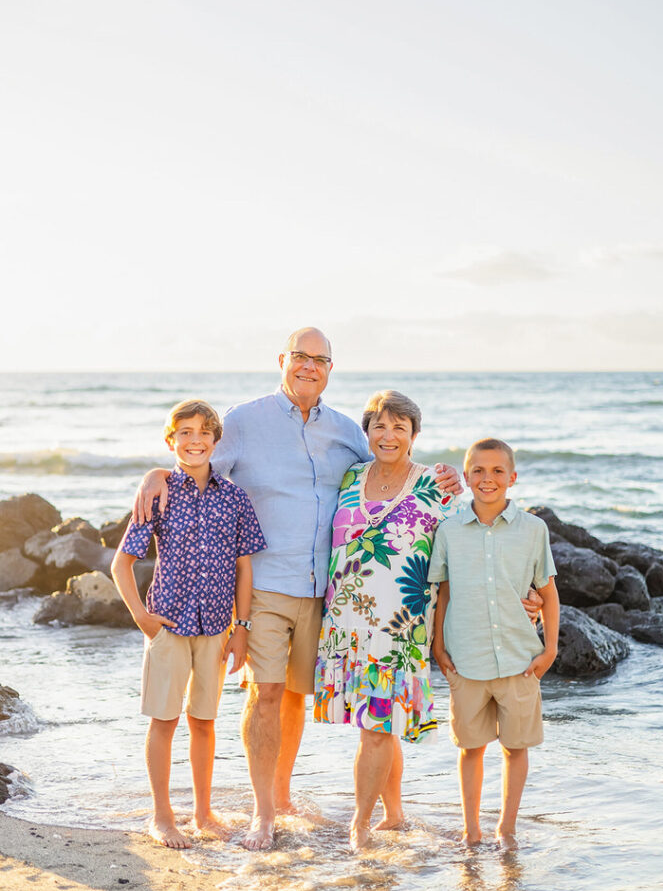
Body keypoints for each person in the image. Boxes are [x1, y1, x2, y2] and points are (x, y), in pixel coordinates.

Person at [133, 327, 464, 851]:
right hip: (262, 585)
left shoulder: (346, 432)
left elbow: (390, 468)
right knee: (264, 694)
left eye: (320, 359)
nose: (309, 366)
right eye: (300, 357)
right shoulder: (243, 420)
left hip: (328, 594)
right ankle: (264, 814)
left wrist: (448, 479)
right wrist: (156, 472)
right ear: (282, 360)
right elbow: (196, 465)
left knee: (300, 696)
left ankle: (300, 800)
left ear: (331, 369)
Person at [112, 400, 266, 849]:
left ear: (216, 440)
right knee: (165, 720)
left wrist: (242, 627)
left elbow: (245, 568)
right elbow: (122, 565)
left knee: (204, 721)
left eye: (203, 432)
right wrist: (142, 616)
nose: (194, 440)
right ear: (170, 440)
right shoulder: (158, 494)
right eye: (184, 432)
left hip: (218, 625)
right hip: (169, 624)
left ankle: (203, 812)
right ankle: (162, 817)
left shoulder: (235, 498)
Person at [314, 390, 462, 850]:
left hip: (399, 630)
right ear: (367, 433)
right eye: (380, 425)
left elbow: (464, 550)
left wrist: (524, 595)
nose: (389, 434)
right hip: (346, 626)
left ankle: (359, 824)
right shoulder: (350, 477)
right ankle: (394, 814)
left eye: (400, 427)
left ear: (415, 435)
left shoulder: (437, 485)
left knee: (375, 730)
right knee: (380, 726)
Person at [428, 437, 560, 850]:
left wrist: (550, 649)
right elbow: (443, 591)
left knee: (516, 748)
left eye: (498, 471)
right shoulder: (448, 531)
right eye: (479, 471)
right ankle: (471, 829)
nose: (488, 479)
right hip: (465, 660)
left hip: (521, 659)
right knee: (470, 749)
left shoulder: (533, 530)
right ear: (466, 478)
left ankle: (507, 829)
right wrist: (438, 644)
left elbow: (548, 592)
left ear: (513, 478)